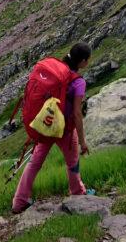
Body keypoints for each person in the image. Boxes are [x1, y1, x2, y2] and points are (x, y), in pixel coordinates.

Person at [12, 41, 92, 213]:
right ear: (83, 62)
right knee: (72, 162)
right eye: (87, 60)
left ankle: (19, 201)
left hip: (46, 125)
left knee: (34, 163)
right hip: (64, 130)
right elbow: (77, 114)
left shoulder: (57, 70)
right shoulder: (78, 82)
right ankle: (78, 193)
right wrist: (83, 142)